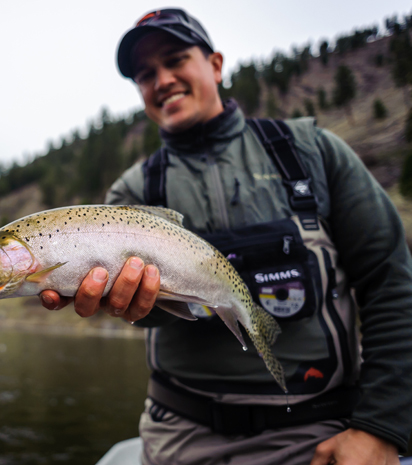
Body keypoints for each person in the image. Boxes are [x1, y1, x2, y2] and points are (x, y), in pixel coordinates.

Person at [40, 8, 412, 465]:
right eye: (145, 74)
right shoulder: (131, 193)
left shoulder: (311, 151)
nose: (162, 80)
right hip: (177, 438)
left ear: (215, 65)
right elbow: (147, 313)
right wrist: (138, 306)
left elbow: (392, 282)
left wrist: (380, 427)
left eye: (176, 59)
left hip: (317, 436)